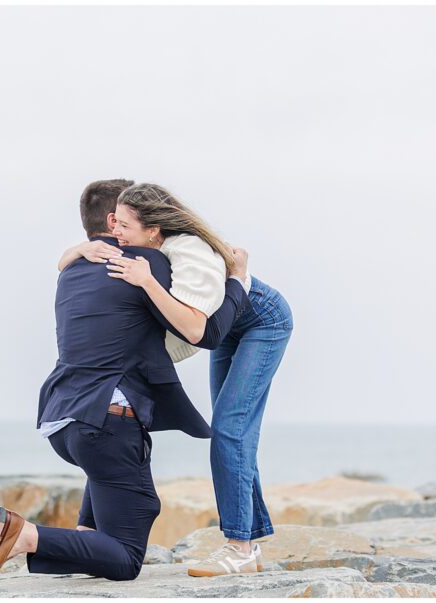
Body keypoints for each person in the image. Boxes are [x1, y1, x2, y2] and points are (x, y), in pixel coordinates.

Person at [0, 179, 250, 590]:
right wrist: (237, 281)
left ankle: (69, 540)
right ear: (113, 219)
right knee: (125, 557)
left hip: (63, 421)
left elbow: (79, 276)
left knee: (100, 528)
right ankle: (24, 534)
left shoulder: (72, 271)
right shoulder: (145, 267)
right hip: (106, 424)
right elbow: (204, 331)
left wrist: (73, 250)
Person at [61, 183, 293, 577]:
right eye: (114, 221)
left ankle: (239, 547)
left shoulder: (189, 250)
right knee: (124, 421)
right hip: (227, 325)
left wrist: (147, 281)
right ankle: (90, 530)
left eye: (124, 224)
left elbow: (198, 330)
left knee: (230, 430)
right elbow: (67, 262)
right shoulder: (142, 246)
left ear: (153, 230)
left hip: (260, 323)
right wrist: (78, 251)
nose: (115, 230)